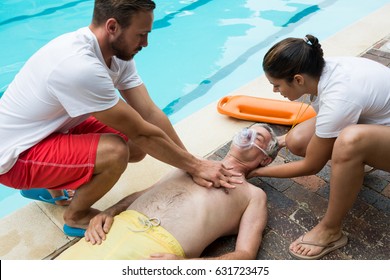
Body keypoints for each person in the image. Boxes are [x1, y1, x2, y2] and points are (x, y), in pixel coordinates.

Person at [0, 0, 240, 235]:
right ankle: (76, 216)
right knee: (115, 152)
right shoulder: (79, 67)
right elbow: (142, 131)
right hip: (14, 159)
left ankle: (49, 184)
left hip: (46, 133)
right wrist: (195, 166)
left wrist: (192, 165)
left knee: (135, 145)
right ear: (112, 27)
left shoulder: (115, 54)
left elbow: (149, 113)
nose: (146, 43)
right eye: (141, 35)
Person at [248, 34, 390, 260]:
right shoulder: (323, 69)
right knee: (297, 140)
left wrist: (253, 172)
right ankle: (356, 166)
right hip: (380, 122)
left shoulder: (339, 97)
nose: (276, 91)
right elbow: (325, 123)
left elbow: (311, 166)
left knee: (349, 142)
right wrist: (279, 142)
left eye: (276, 85)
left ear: (298, 79)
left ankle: (331, 231)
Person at [55, 124, 279, 260]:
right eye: (247, 131)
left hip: (157, 253)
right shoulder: (194, 162)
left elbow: (245, 256)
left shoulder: (253, 196)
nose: (247, 137)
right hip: (112, 231)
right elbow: (147, 192)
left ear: (265, 158)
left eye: (256, 138)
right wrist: (109, 212)